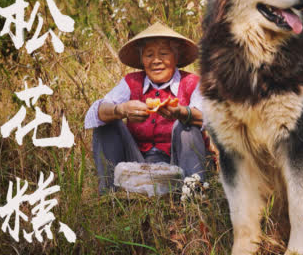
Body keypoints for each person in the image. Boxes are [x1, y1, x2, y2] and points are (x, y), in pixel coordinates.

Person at [84, 22, 209, 194]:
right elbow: (95, 113)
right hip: (137, 163)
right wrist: (121, 110)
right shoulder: (131, 82)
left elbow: (209, 118)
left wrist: (182, 113)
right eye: (149, 55)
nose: (156, 61)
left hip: (178, 163)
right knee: (106, 123)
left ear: (176, 57)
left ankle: (193, 191)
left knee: (186, 126)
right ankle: (110, 194)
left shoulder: (192, 82)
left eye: (164, 54)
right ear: (142, 60)